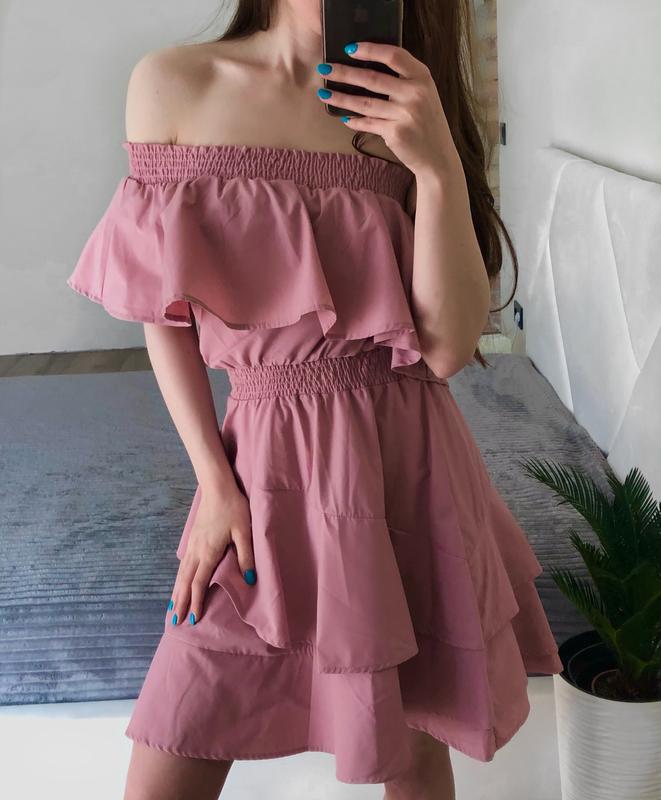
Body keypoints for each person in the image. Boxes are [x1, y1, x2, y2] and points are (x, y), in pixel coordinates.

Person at [67, 1, 564, 798]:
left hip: (408, 463)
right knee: (176, 740)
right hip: (262, 457)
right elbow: (160, 310)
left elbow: (443, 349)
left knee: (412, 737)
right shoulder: (173, 83)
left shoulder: (401, 100)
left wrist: (435, 163)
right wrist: (215, 484)